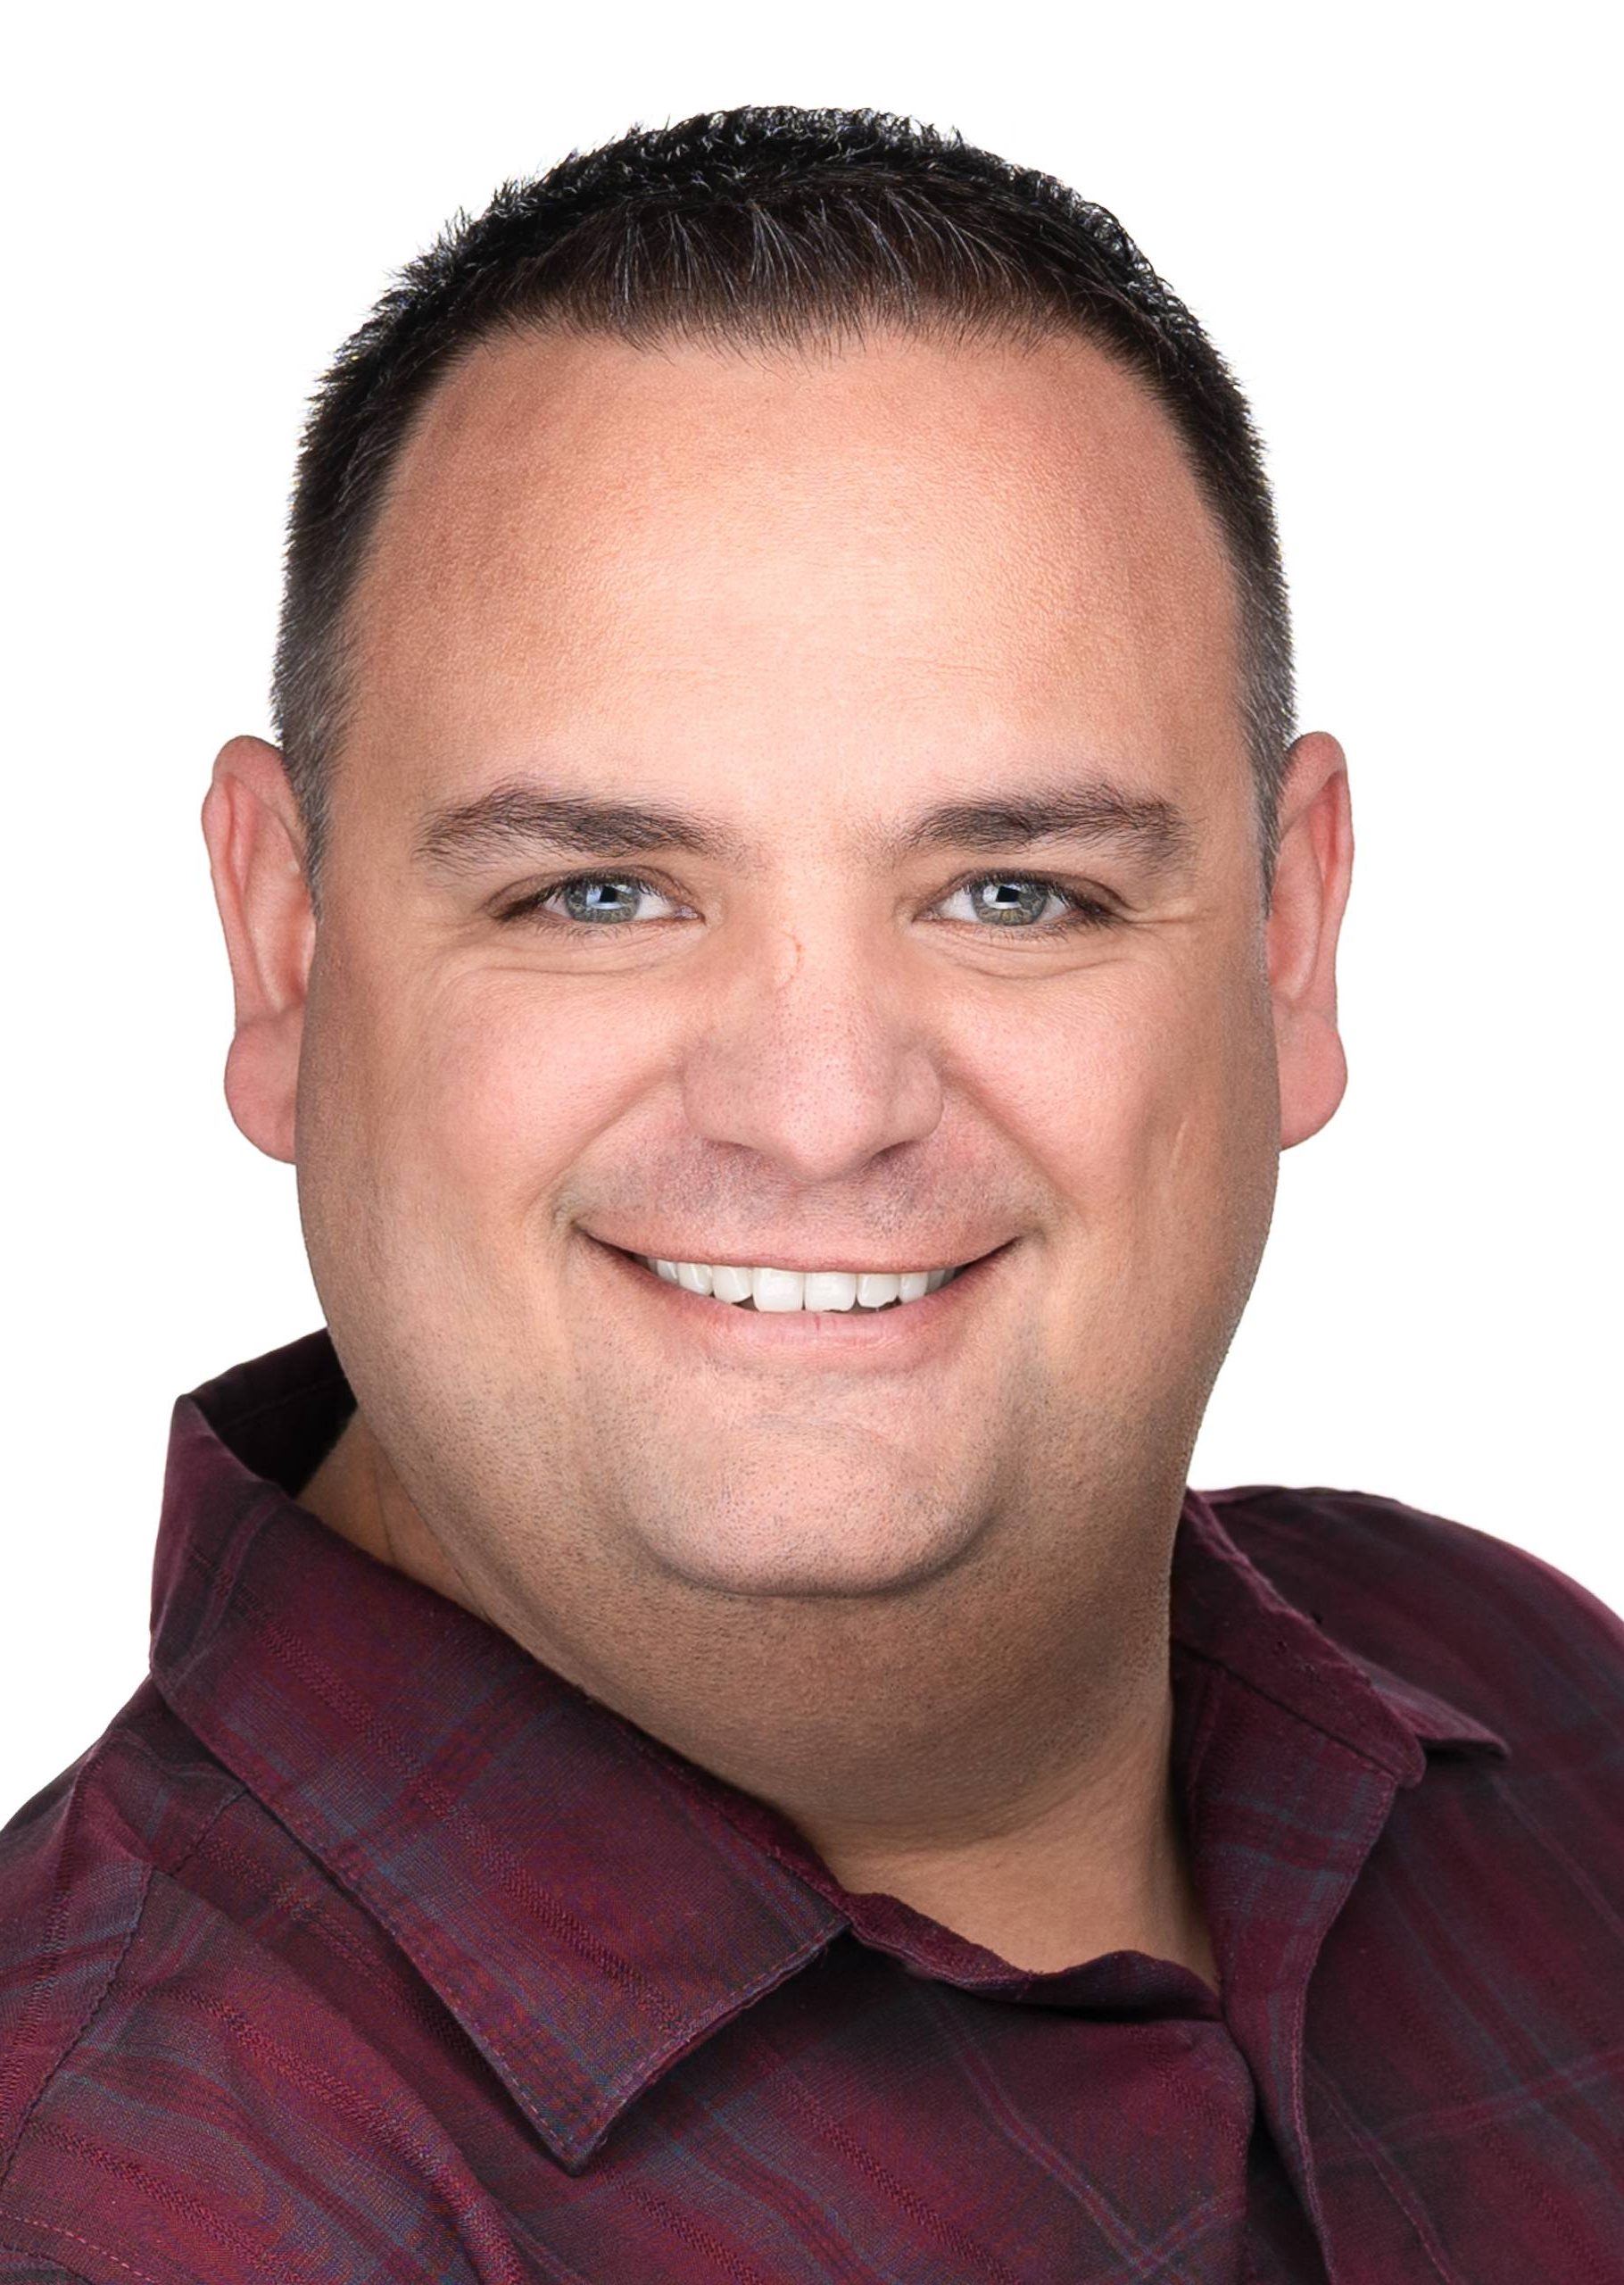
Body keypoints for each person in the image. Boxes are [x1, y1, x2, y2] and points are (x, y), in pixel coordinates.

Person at [2, 103, 1620, 2285]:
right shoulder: (120, 2205)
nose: (821, 1104)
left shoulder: (1541, 1712)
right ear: (286, 948)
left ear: (1288, 936)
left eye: (1013, 891)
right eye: (599, 890)